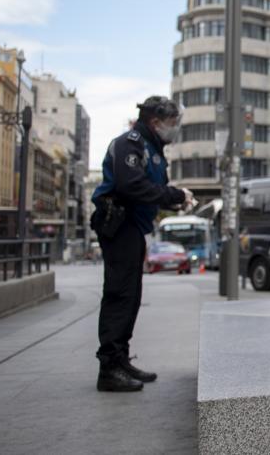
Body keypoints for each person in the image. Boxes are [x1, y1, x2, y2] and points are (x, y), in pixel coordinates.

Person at [90, 96, 194, 392]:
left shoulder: (154, 149)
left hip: (135, 228)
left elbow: (152, 191)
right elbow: (130, 185)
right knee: (119, 295)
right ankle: (108, 367)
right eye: (172, 123)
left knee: (131, 295)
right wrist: (174, 195)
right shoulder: (129, 143)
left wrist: (176, 203)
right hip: (119, 225)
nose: (175, 129)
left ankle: (120, 358)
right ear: (155, 122)